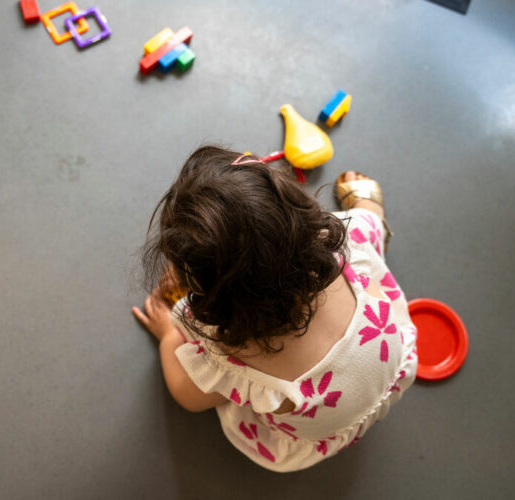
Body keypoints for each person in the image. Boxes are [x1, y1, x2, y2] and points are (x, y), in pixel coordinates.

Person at [132, 146, 417, 472]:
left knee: (238, 390)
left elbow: (188, 396)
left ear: (215, 303)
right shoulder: (345, 238)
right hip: (393, 368)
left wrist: (169, 334)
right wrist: (368, 212)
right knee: (367, 228)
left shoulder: (234, 356)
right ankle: (373, 207)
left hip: (320, 428)